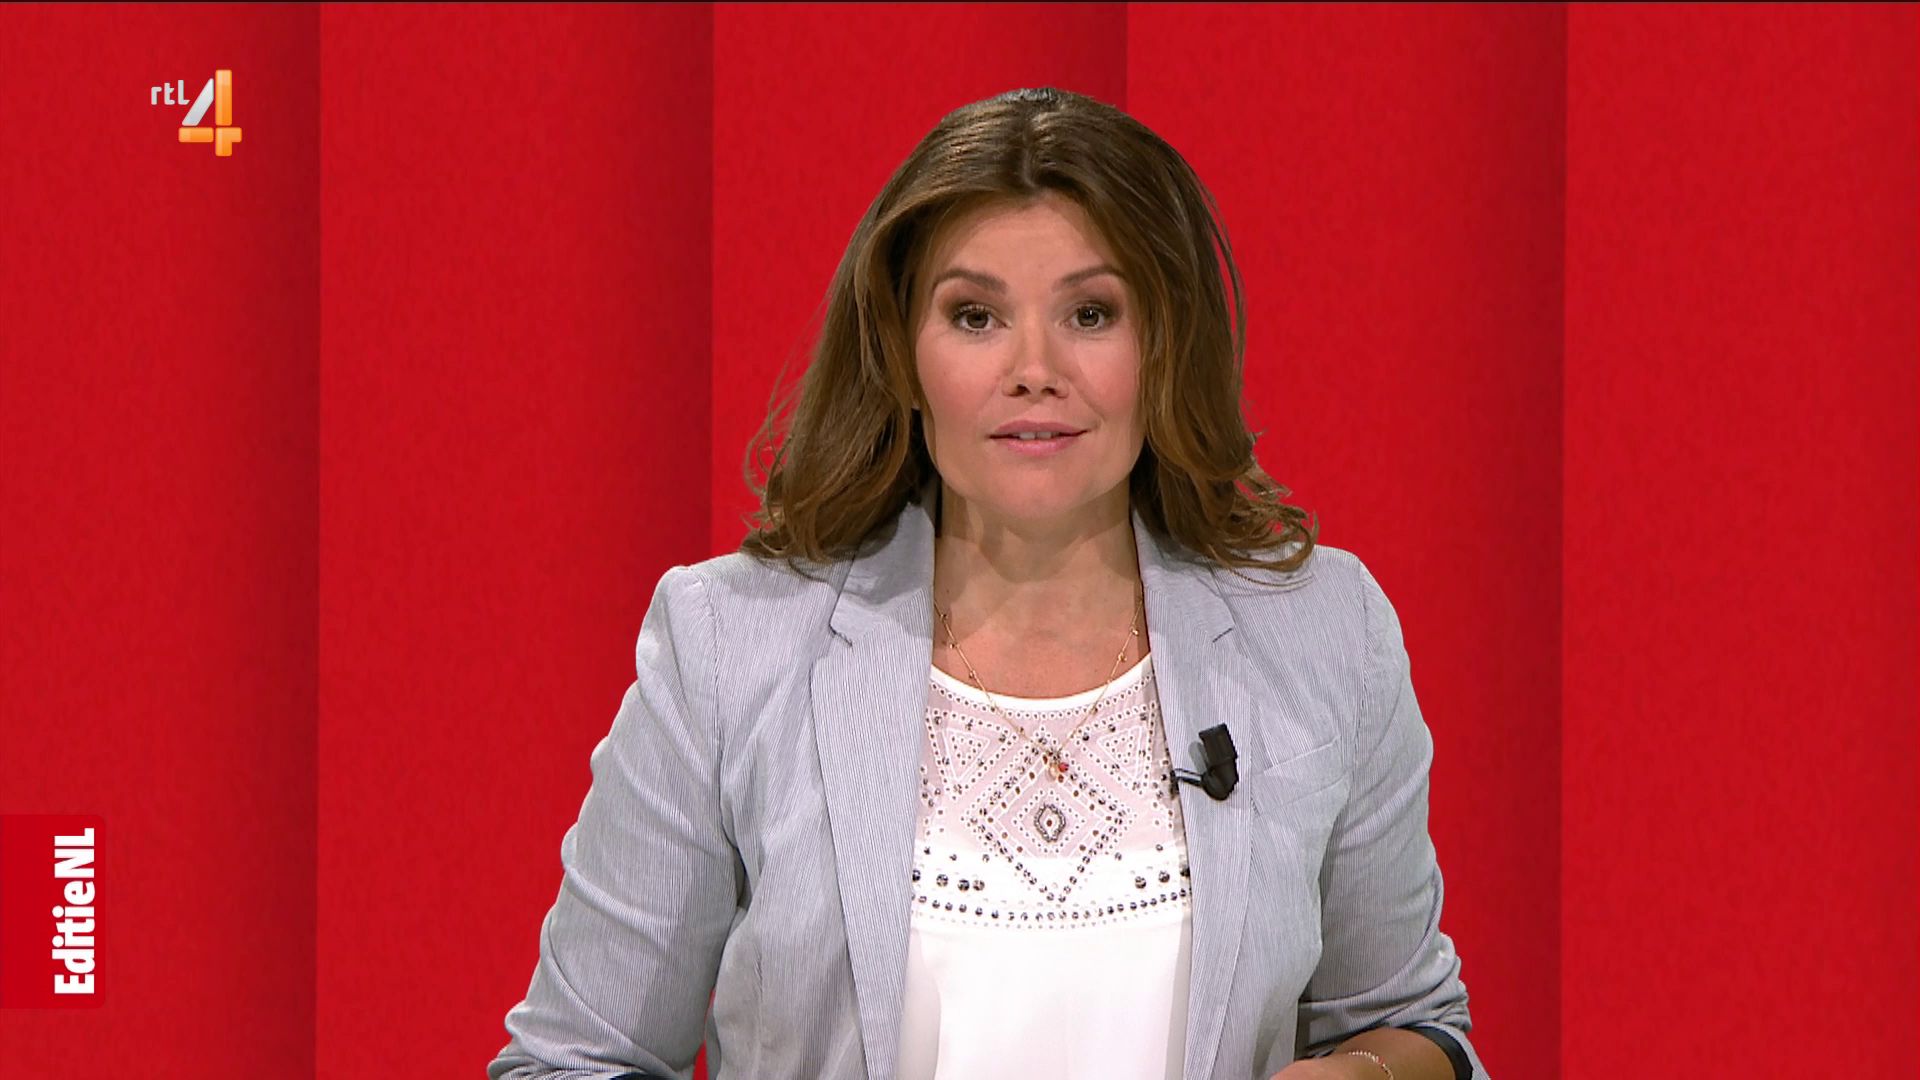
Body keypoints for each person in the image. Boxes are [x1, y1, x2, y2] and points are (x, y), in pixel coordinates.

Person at [488, 86, 1487, 1080]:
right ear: (903, 355)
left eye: (1091, 313)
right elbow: (570, 1063)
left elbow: (1414, 1021)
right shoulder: (731, 646)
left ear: (1165, 344)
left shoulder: (1321, 632)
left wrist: (1363, 1075)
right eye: (976, 317)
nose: (1034, 368)